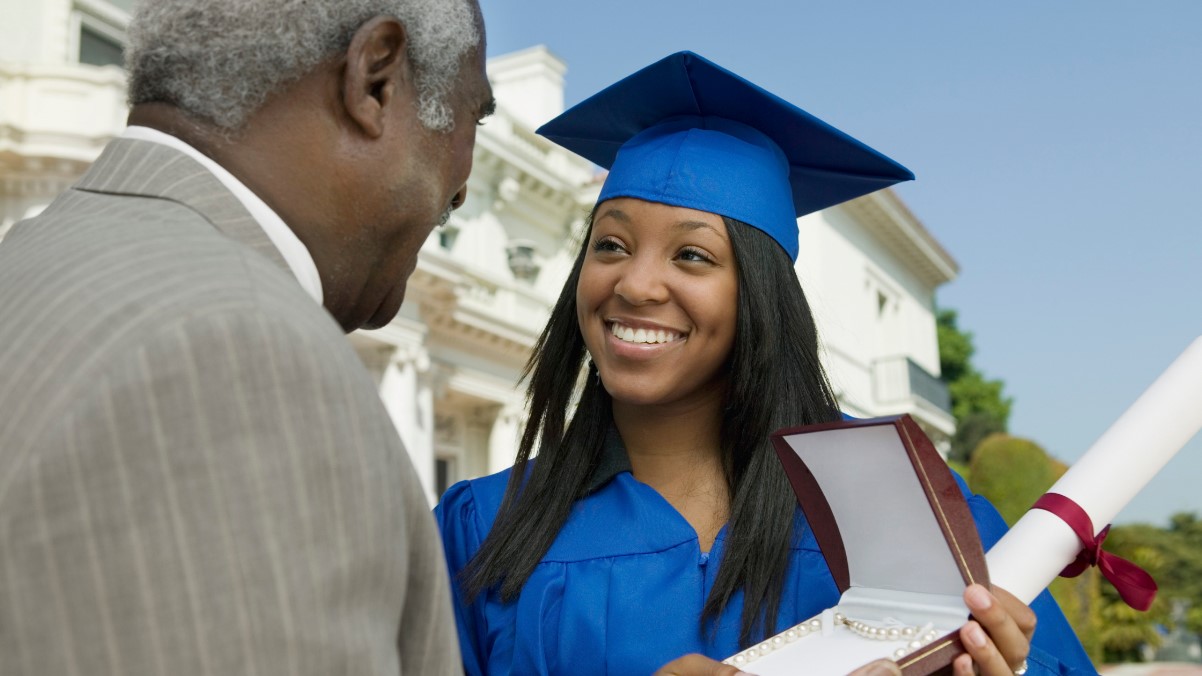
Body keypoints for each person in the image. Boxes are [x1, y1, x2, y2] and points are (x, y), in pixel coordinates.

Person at [435, 52, 1096, 675]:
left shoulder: (915, 525)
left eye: (692, 256)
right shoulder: (483, 526)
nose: (634, 285)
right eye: (610, 244)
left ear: (761, 296)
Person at [0, 1, 495, 674]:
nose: (462, 189)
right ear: (375, 80)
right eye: (473, 116)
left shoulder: (30, 262)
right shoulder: (246, 358)